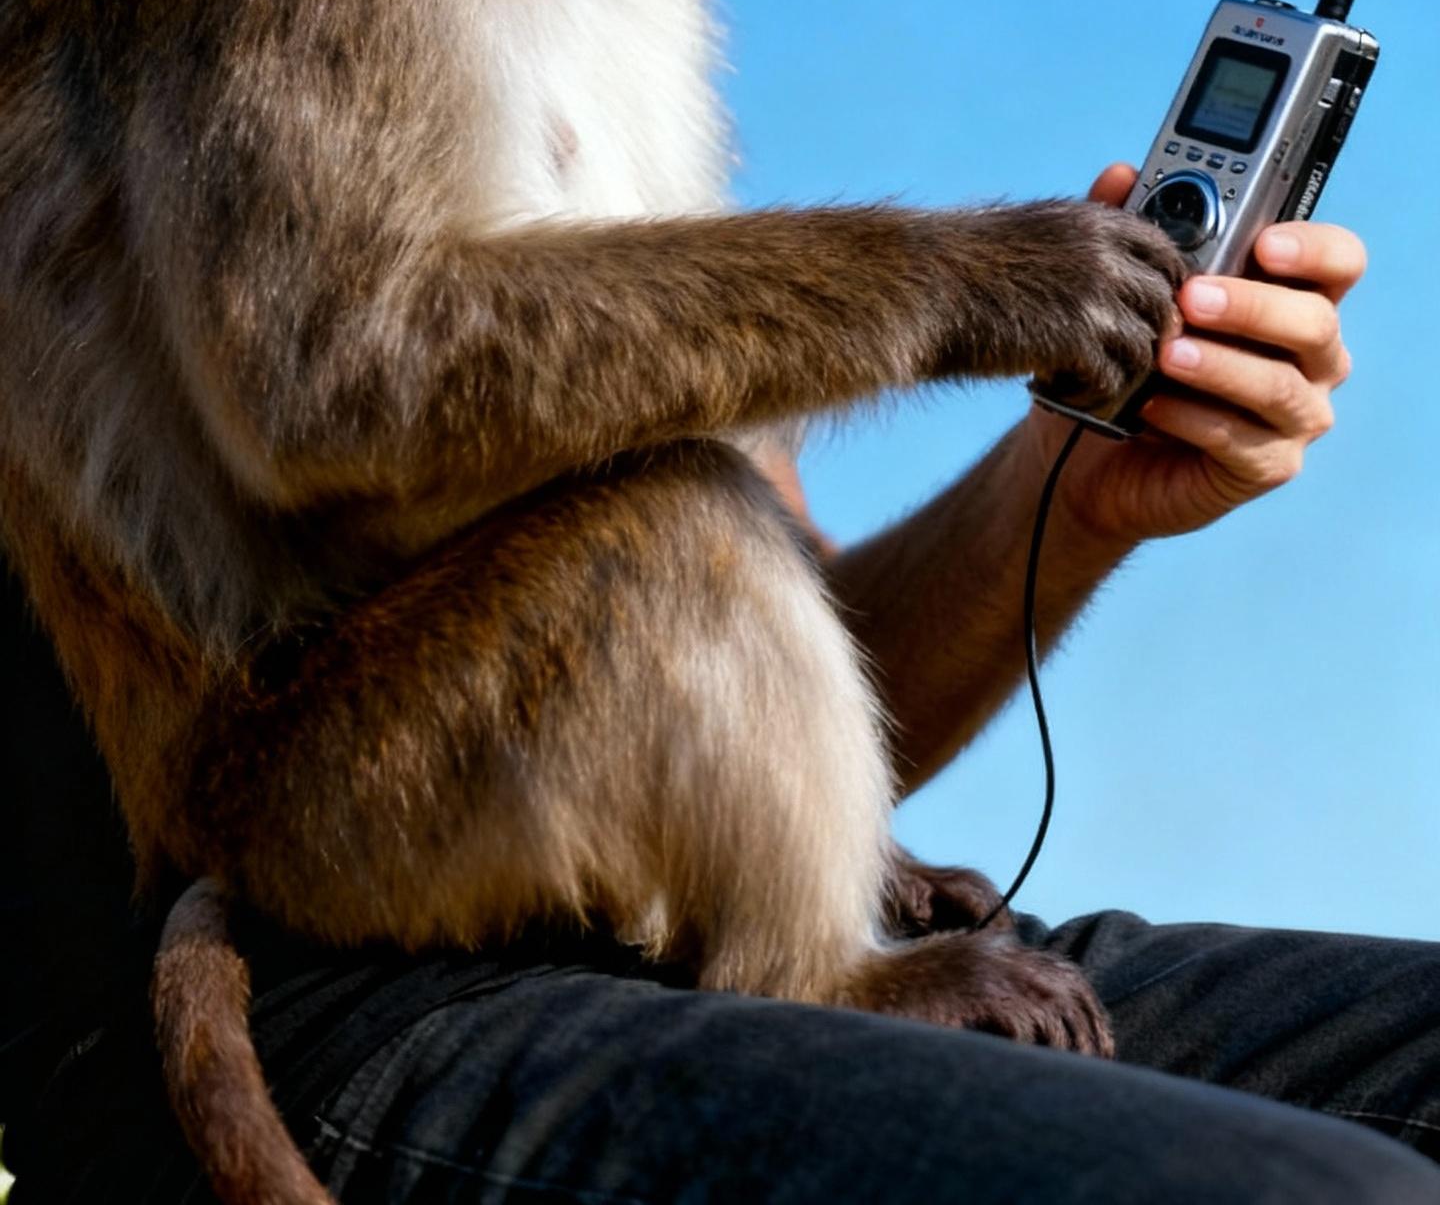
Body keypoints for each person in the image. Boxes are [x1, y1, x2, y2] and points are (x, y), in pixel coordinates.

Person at [3, 168, 1437, 1203]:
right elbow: (345, 385)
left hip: (729, 936)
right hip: (302, 989)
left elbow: (739, 688)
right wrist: (935, 287)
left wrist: (1067, 495)